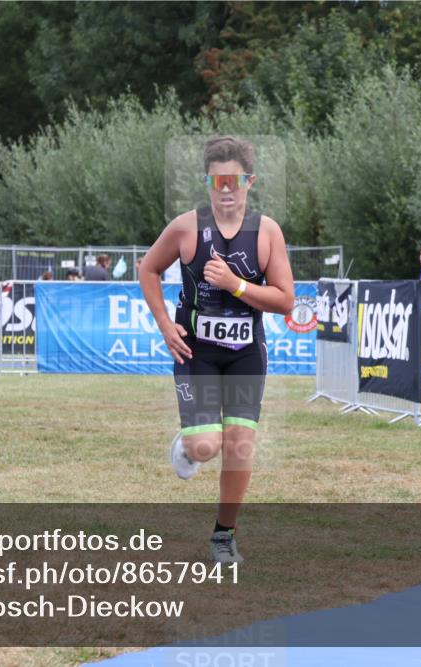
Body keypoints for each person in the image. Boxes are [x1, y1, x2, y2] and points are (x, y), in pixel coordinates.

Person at [140, 136, 294, 565]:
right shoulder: (187, 227)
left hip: (246, 352)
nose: (226, 188)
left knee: (241, 445)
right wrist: (165, 324)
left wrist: (238, 286)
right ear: (208, 182)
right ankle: (190, 446)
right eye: (217, 180)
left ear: (250, 181)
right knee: (209, 447)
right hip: (198, 354)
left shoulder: (266, 233)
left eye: (234, 180)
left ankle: (223, 537)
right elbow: (149, 268)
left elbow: (285, 301)